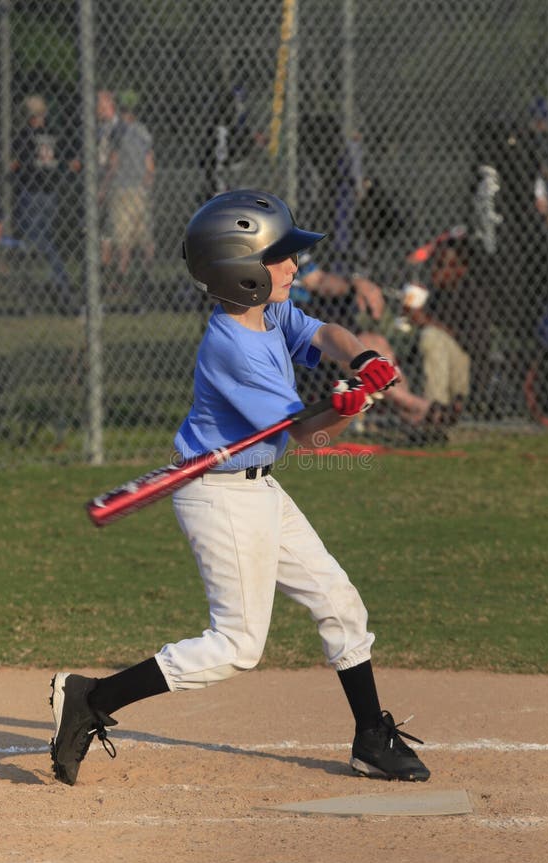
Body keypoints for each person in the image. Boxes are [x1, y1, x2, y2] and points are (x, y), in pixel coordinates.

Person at [49, 189, 430, 787]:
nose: (294, 267)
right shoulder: (230, 347)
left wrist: (365, 359)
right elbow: (307, 433)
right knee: (237, 645)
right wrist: (348, 408)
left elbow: (326, 333)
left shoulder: (269, 312)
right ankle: (93, 699)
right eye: (280, 259)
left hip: (258, 487)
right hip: (219, 494)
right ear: (243, 273)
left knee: (338, 599)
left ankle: (371, 739)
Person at [290, 248, 446, 431]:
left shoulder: (286, 244)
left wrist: (355, 283)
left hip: (312, 326)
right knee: (348, 346)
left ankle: (413, 416)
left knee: (375, 343)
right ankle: (418, 408)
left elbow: (317, 280)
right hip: (286, 334)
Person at [11, 94, 79, 307]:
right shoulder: (53, 134)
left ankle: (58, 279)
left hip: (31, 191)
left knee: (35, 240)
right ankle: (53, 281)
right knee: (44, 237)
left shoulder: (24, 135)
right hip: (50, 192)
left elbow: (17, 163)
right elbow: (67, 161)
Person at [101, 89, 155, 281]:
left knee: (123, 239)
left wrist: (104, 187)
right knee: (144, 237)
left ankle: (121, 276)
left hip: (121, 188)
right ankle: (146, 274)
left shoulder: (118, 131)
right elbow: (150, 164)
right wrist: (147, 184)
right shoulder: (143, 131)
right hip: (140, 189)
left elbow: (113, 162)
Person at [402, 280, 470, 412]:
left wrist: (423, 320)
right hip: (406, 353)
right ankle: (436, 408)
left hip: (452, 355)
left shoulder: (450, 300)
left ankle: (449, 405)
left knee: (433, 336)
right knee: (431, 336)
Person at [96, 89, 119, 271]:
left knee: (112, 229)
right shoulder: (98, 128)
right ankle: (104, 268)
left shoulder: (117, 127)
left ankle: (112, 271)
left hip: (115, 183)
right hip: (100, 179)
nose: (97, 108)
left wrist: (104, 187)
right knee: (103, 230)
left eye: (100, 103)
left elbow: (115, 161)